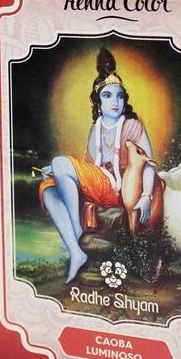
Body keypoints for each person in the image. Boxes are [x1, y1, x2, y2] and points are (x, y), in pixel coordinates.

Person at [39, 48, 157, 283]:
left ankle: (76, 230)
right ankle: (76, 251)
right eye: (108, 96)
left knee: (60, 162)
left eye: (120, 96)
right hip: (98, 184)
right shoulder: (96, 128)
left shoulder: (133, 125)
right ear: (98, 102)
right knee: (48, 188)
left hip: (121, 189)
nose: (115, 101)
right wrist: (57, 172)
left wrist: (146, 196)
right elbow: (87, 166)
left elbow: (149, 165)